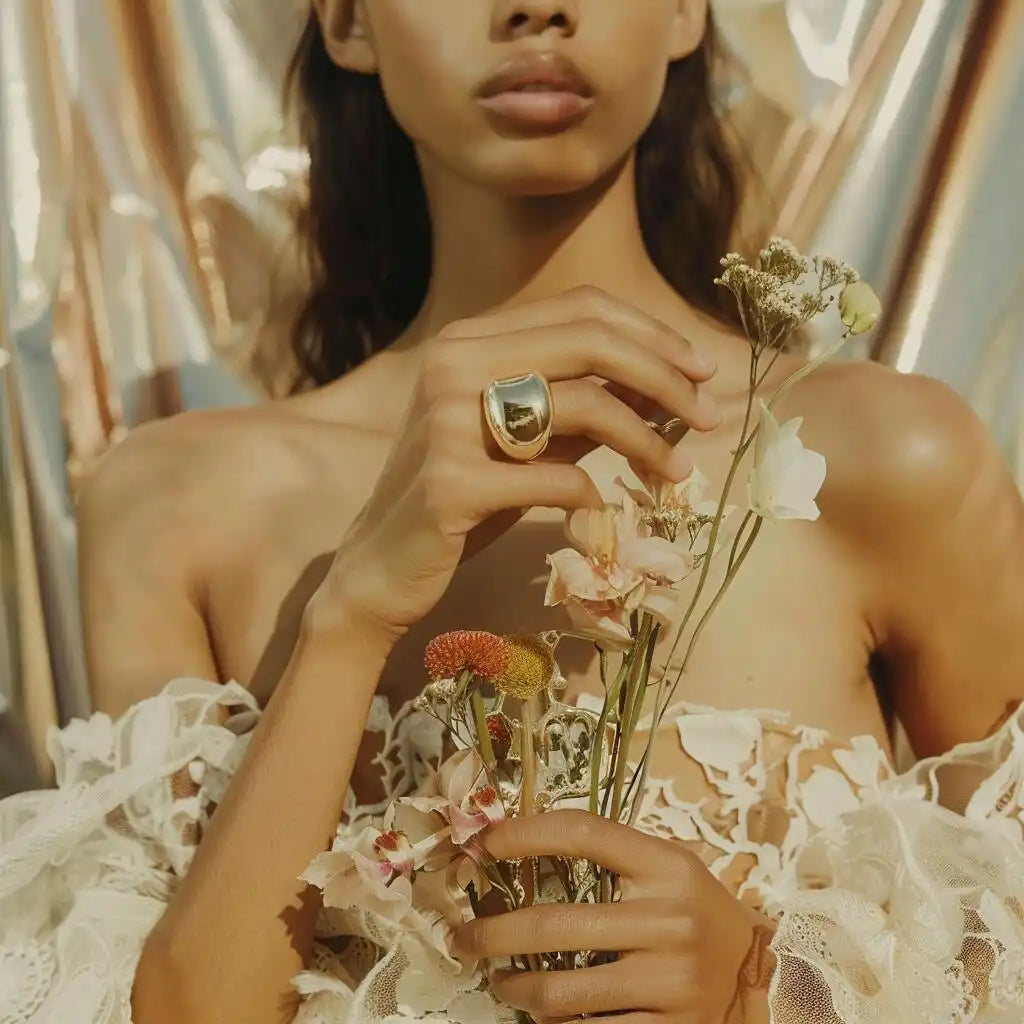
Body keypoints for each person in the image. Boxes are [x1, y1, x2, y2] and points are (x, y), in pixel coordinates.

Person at [33, 1, 1024, 1022]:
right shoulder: (176, 502)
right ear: (345, 22)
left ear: (684, 11)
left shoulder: (875, 457)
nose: (534, 5)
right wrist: (353, 608)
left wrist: (771, 984)